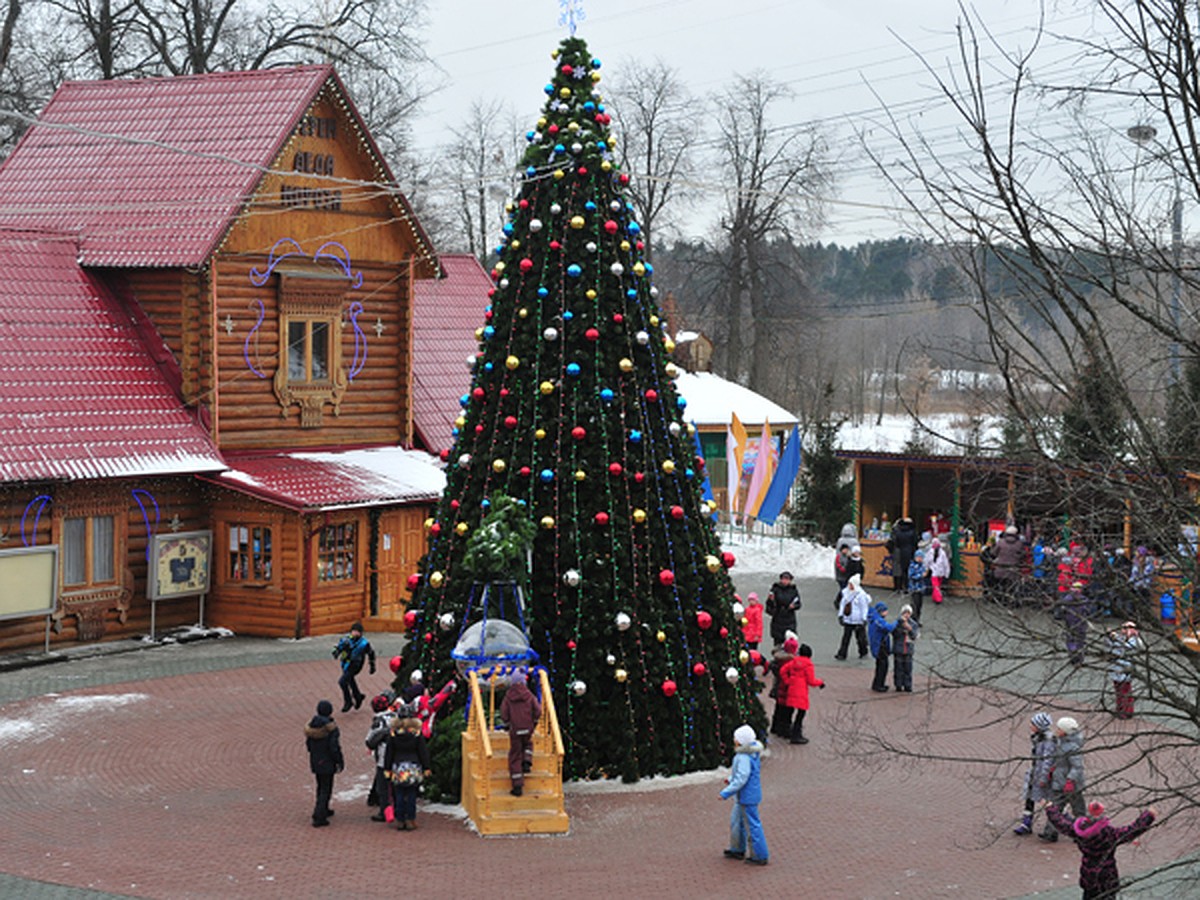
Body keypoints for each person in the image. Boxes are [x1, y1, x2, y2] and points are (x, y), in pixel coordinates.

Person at [1043, 800, 1157, 899]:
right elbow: (1132, 830)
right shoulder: (1109, 834)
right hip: (1107, 877)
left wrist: (1050, 808)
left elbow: (1061, 823)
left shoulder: (1079, 831)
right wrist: (1148, 815)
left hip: (1089, 876)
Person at [719, 724, 769, 866]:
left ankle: (759, 855)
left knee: (751, 824)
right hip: (748, 795)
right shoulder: (752, 754)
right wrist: (730, 779)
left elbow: (742, 777)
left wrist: (726, 792)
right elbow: (743, 774)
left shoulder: (742, 757)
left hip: (746, 796)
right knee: (738, 820)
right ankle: (737, 848)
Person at [1040, 716, 1087, 842]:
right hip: (1060, 782)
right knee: (1055, 808)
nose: (1056, 730)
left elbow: (1077, 767)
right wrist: (1052, 770)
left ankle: (1082, 833)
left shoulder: (1073, 748)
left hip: (1071, 784)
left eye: (1059, 728)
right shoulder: (1061, 743)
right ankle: (1050, 832)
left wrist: (1070, 780)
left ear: (1065, 731)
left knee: (1078, 810)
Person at [383, 716, 431, 830]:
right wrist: (426, 767)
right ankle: (410, 819)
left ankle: (400, 820)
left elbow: (389, 752)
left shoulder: (394, 734)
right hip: (413, 766)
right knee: (411, 794)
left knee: (398, 793)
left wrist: (387, 768)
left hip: (398, 767)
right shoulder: (417, 734)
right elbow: (422, 751)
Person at [499, 669, 542, 796]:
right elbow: (538, 711)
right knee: (528, 744)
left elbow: (504, 712)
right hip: (528, 728)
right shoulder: (529, 695)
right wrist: (533, 722)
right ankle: (527, 761)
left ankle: (517, 786)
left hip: (515, 730)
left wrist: (507, 724)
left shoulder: (508, 697)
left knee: (515, 755)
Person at [1013, 711, 1055, 835]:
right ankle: (1026, 823)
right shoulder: (1038, 738)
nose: (1030, 726)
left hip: (1041, 775)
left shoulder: (1048, 741)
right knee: (1029, 798)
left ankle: (1059, 823)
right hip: (1035, 773)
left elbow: (1048, 761)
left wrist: (1043, 778)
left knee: (1047, 801)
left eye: (1033, 723)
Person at [304, 699, 344, 828]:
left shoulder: (312, 726)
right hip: (327, 761)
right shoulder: (331, 728)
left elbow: (309, 745)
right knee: (326, 788)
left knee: (320, 786)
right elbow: (334, 747)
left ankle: (323, 809)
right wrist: (339, 760)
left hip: (316, 760)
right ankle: (319, 815)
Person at [778, 643, 824, 744]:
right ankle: (796, 734)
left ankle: (786, 731)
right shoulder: (808, 664)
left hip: (792, 689)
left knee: (789, 711)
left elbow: (783, 670)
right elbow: (811, 681)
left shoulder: (794, 661)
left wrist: (787, 681)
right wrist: (821, 682)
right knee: (801, 713)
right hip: (801, 691)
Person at [365, 693, 398, 820]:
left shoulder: (378, 721)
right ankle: (398, 809)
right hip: (398, 756)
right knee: (395, 785)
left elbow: (369, 740)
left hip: (384, 758)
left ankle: (385, 812)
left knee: (383, 786)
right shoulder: (396, 716)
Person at [332, 622, 376, 712]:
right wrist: (337, 652)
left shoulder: (364, 644)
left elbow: (371, 653)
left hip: (356, 664)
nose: (355, 633)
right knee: (350, 679)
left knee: (342, 682)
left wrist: (372, 665)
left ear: (361, 633)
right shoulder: (346, 639)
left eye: (357, 632)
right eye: (353, 631)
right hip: (345, 663)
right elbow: (339, 647)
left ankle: (348, 701)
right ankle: (358, 696)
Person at [1107, 621, 1143, 720]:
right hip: (1116, 669)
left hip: (1126, 669)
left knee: (1125, 691)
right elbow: (1111, 647)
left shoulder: (1136, 640)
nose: (1125, 630)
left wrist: (1116, 639)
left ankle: (1127, 711)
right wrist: (1109, 637)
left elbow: (1127, 647)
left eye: (1128, 628)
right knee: (1118, 691)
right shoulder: (1120, 638)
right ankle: (1119, 709)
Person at [835, 573, 870, 660]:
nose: (849, 586)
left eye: (851, 584)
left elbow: (864, 607)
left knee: (860, 638)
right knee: (845, 638)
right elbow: (842, 605)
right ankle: (842, 654)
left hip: (858, 620)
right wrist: (840, 615)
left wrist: (864, 619)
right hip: (848, 619)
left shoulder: (861, 595)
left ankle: (863, 651)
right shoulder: (846, 592)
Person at [769, 636, 799, 737]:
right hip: (787, 689)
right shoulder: (791, 663)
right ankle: (784, 730)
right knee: (787, 711)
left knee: (778, 708)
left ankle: (775, 727)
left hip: (778, 686)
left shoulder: (778, 660)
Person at [867, 600, 897, 692]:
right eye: (885, 610)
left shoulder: (874, 619)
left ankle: (877, 683)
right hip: (880, 646)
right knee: (883, 666)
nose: (887, 612)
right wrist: (897, 622)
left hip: (879, 646)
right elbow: (889, 628)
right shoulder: (878, 621)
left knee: (880, 665)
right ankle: (879, 685)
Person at [766, 572, 801, 647]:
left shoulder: (793, 590)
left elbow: (798, 603)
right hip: (778, 619)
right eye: (783, 579)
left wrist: (794, 606)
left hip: (789, 620)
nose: (785, 581)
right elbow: (769, 605)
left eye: (787, 579)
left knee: (789, 644)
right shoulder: (775, 589)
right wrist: (771, 600)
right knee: (778, 644)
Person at [891, 604, 919, 692]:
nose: (906, 615)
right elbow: (894, 634)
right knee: (898, 668)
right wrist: (901, 629)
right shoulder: (897, 623)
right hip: (899, 649)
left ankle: (908, 685)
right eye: (905, 613)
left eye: (908, 613)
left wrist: (909, 629)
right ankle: (898, 685)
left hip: (908, 650)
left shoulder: (913, 624)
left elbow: (914, 636)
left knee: (908, 669)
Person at [889, 516, 918, 592]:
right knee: (907, 570)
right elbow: (915, 542)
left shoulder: (898, 531)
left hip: (899, 551)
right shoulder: (912, 531)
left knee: (898, 569)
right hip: (909, 551)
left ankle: (897, 587)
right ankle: (906, 587)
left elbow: (895, 541)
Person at [925, 537, 951, 604]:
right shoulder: (942, 553)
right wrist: (946, 573)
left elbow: (927, 562)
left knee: (936, 586)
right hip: (940, 572)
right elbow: (946, 564)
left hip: (935, 572)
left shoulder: (930, 552)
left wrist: (926, 569)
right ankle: (937, 598)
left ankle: (936, 598)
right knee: (937, 586)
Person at [907, 549, 928, 622]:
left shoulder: (922, 565)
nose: (920, 559)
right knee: (914, 605)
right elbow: (911, 576)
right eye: (918, 557)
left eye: (921, 558)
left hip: (921, 588)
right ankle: (913, 619)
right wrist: (921, 576)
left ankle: (917, 619)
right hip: (914, 588)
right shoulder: (912, 566)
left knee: (919, 605)